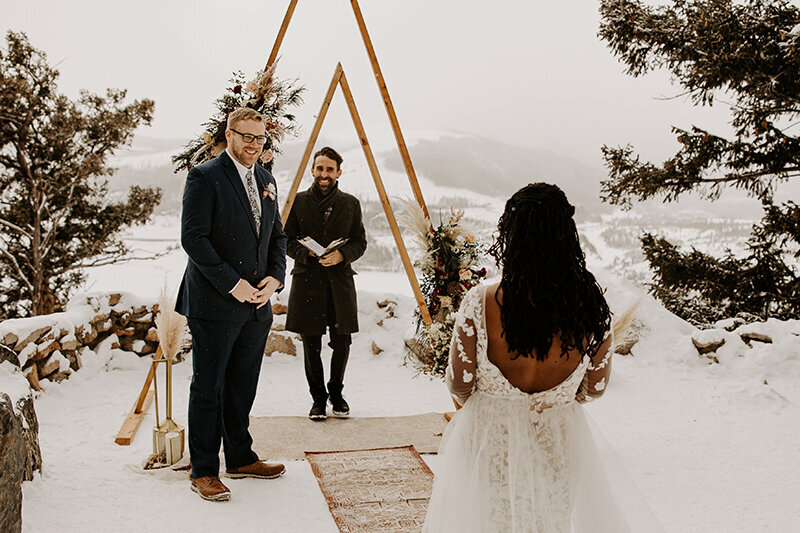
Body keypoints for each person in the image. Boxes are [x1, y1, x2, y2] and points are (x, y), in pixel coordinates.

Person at [423, 183, 634, 532]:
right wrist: (557, 399)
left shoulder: (480, 302)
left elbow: (460, 383)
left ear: (511, 239)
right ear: (568, 237)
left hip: (492, 439)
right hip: (557, 440)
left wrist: (495, 403)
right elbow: (594, 389)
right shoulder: (592, 311)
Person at [176, 108, 287, 502]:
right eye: (245, 136)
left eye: (259, 139)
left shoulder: (268, 179)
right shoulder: (205, 176)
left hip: (258, 305)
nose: (253, 145)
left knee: (243, 386)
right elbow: (194, 239)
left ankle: (240, 458)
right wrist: (234, 285)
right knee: (209, 388)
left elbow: (277, 236)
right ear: (229, 134)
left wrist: (275, 278)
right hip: (214, 303)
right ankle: (203, 469)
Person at [284, 147, 367, 421]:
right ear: (312, 170)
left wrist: (342, 255)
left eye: (329, 169)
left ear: (338, 173)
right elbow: (285, 240)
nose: (324, 174)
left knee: (342, 341)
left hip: (340, 281)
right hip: (307, 280)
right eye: (320, 168)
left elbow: (360, 242)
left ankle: (337, 393)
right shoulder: (296, 202)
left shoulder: (351, 203)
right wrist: (304, 253)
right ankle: (318, 399)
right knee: (311, 343)